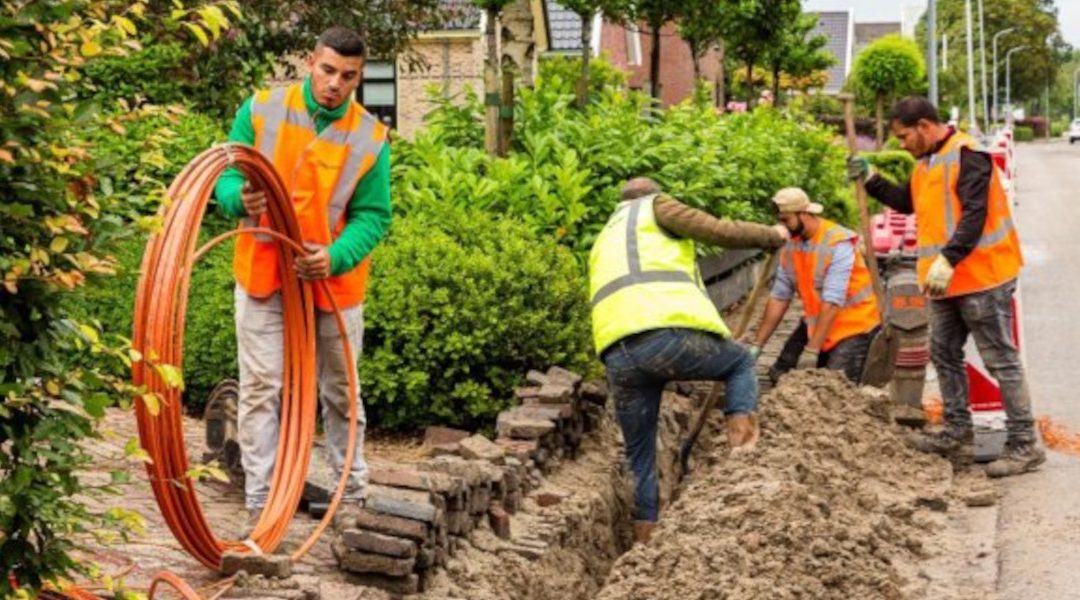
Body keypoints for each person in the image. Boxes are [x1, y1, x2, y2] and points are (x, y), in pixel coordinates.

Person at [213, 26, 392, 533]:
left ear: (359, 77)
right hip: (264, 273)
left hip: (331, 284)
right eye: (329, 70)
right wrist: (237, 200)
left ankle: (350, 496)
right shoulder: (261, 110)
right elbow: (227, 176)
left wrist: (334, 256)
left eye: (349, 76)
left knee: (340, 391)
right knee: (262, 386)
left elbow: (374, 217)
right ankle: (262, 503)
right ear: (311, 62)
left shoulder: (369, 138)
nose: (336, 83)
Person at [848, 96, 1043, 477]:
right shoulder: (926, 163)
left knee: (1000, 359)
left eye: (904, 136)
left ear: (924, 125)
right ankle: (958, 432)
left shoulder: (969, 155)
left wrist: (949, 258)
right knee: (944, 353)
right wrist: (871, 179)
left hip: (981, 277)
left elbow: (975, 215)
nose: (901, 144)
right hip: (943, 283)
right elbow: (907, 202)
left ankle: (1024, 444)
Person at [589, 177, 788, 543]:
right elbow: (716, 230)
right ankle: (742, 461)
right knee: (740, 363)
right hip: (662, 334)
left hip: (619, 354)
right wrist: (772, 234)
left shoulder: (605, 236)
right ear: (654, 195)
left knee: (640, 456)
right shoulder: (656, 207)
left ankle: (643, 543)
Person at [747, 188, 881, 384]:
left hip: (854, 326)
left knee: (833, 385)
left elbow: (832, 301)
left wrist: (812, 350)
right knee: (780, 374)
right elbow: (779, 297)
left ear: (804, 214)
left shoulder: (838, 242)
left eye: (785, 220)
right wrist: (757, 346)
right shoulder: (791, 244)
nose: (781, 226)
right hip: (816, 322)